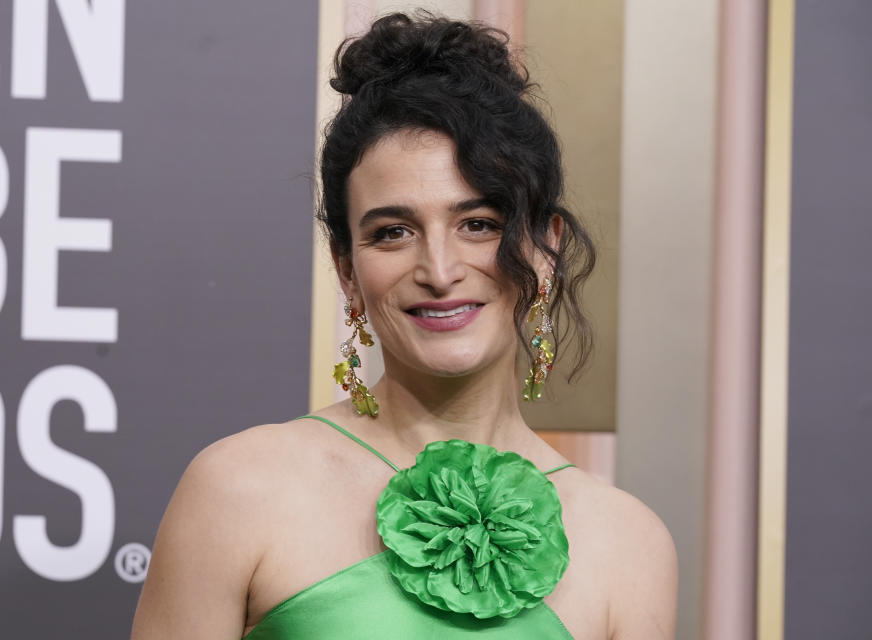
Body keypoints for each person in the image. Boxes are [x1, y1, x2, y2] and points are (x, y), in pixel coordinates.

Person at [131, 11, 677, 640]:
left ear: (544, 248)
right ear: (346, 270)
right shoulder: (237, 490)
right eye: (393, 232)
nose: (440, 271)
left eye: (479, 223)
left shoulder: (629, 543)